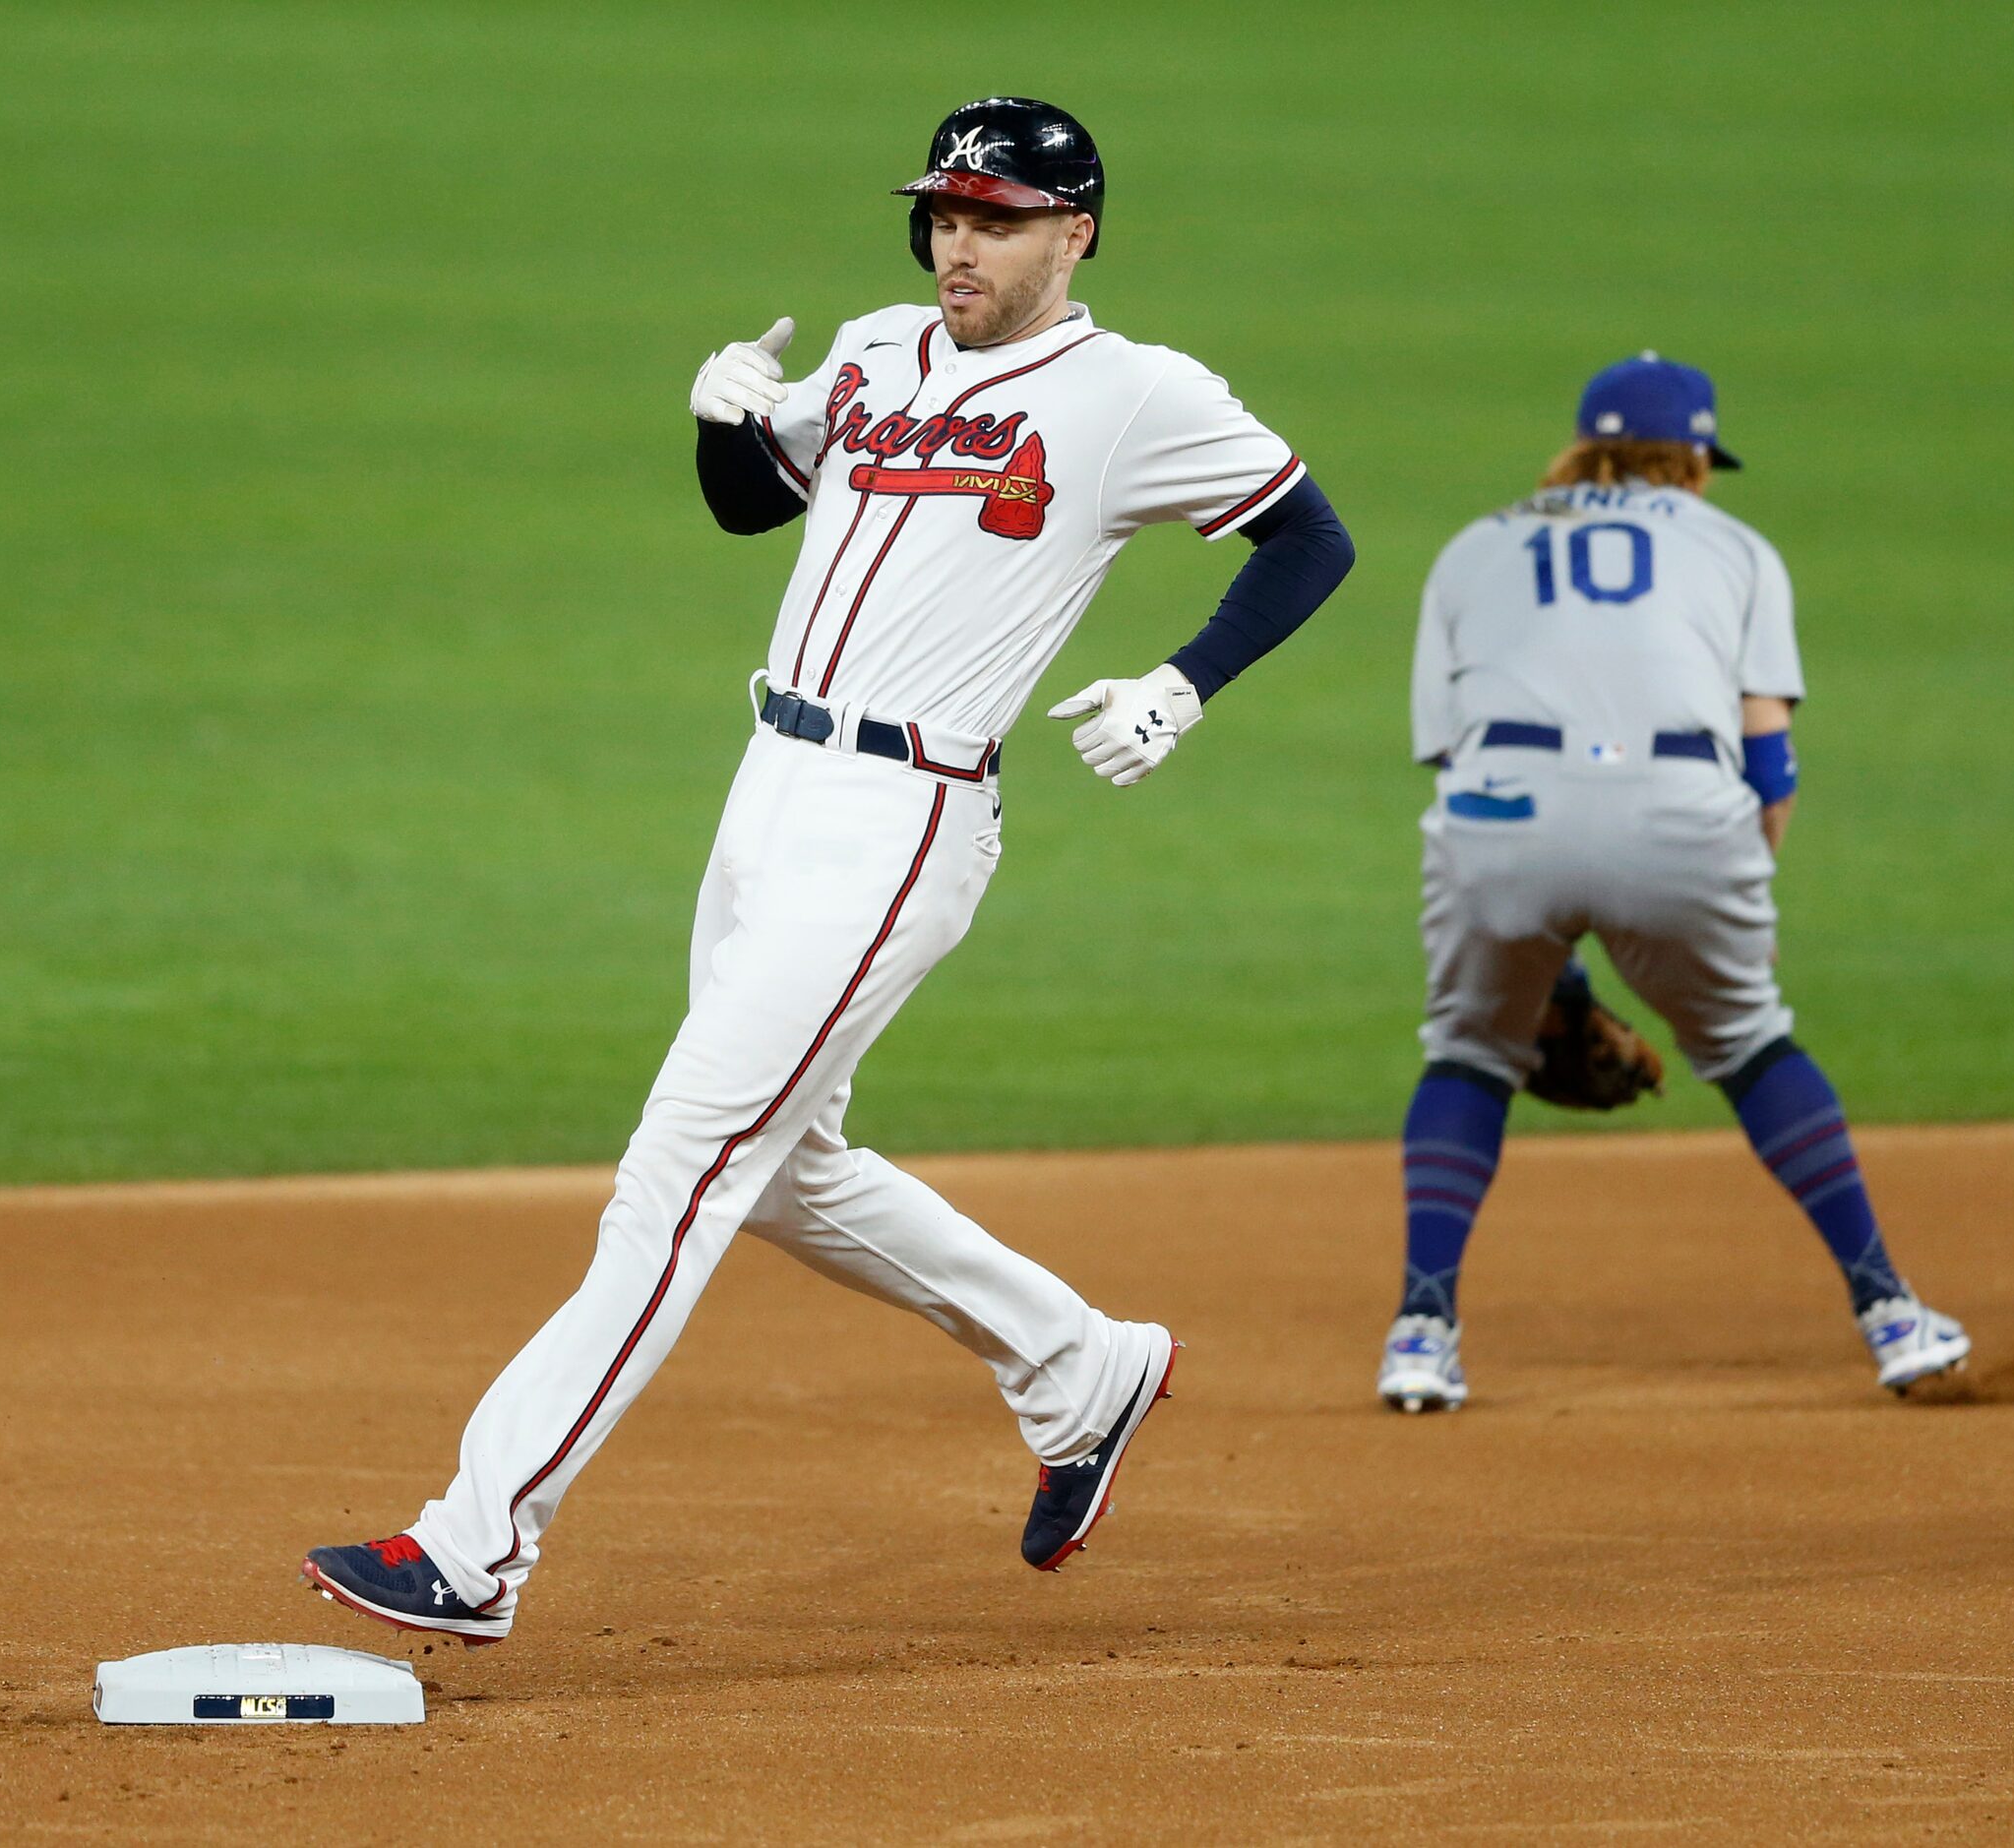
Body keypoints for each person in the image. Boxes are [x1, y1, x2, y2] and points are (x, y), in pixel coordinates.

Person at [302, 97, 1354, 1644]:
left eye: (995, 218)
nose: (959, 243)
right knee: (786, 1168)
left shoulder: (1136, 394)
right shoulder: (874, 347)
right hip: (767, 792)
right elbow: (754, 503)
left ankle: (474, 1542)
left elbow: (1308, 541)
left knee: (681, 1170)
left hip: (901, 820)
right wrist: (724, 417)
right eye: (943, 213)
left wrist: (1178, 687)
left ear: (1076, 233)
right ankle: (1080, 1363)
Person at [1377, 352, 1964, 1412]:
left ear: (1583, 448)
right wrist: (1745, 900)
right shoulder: (1736, 549)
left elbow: (1449, 755)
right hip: (1683, 818)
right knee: (1747, 1046)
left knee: (1468, 1053)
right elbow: (1768, 761)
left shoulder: (1473, 547)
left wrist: (1546, 979)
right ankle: (1891, 1315)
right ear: (1691, 458)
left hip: (1502, 814)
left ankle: (1421, 1333)